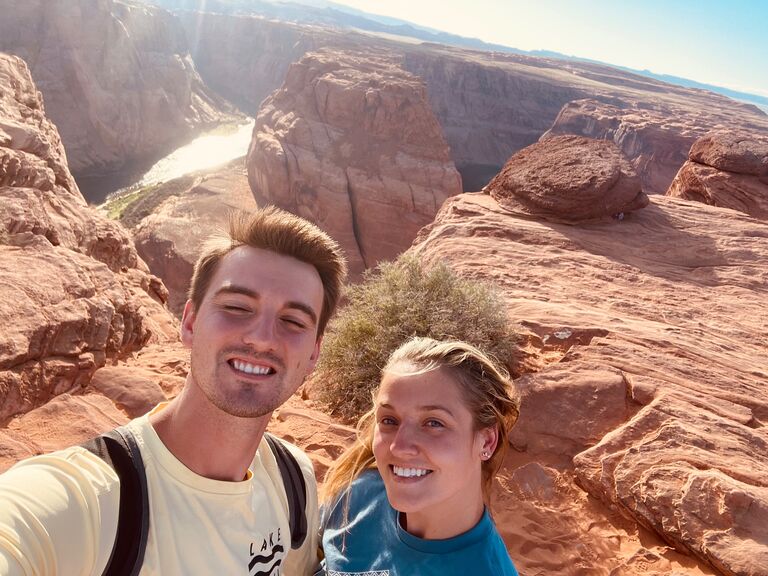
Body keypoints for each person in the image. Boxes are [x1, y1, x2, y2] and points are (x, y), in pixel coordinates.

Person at [0, 206, 347, 575]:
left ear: (314, 353)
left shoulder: (293, 479)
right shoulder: (87, 502)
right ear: (190, 322)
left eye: (292, 321)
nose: (262, 338)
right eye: (237, 307)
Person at [319, 336, 521, 575]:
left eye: (434, 423)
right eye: (389, 420)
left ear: (486, 441)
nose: (399, 446)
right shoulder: (358, 494)